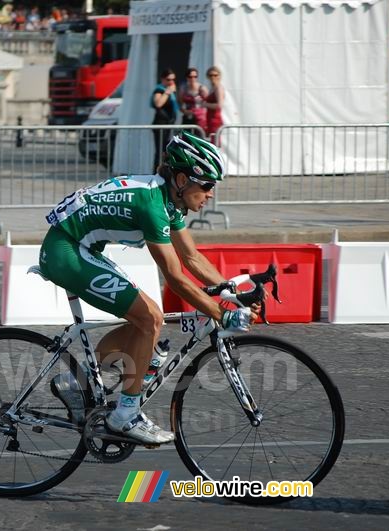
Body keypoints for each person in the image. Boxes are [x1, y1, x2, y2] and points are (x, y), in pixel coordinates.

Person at [39, 132, 258, 445]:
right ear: (183, 179)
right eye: (207, 185)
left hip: (81, 246)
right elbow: (175, 277)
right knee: (151, 318)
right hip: (66, 250)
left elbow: (192, 258)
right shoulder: (152, 205)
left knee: (145, 322)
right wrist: (221, 315)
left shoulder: (168, 200)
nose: (210, 194)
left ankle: (75, 382)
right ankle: (124, 415)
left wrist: (232, 296)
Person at [152, 68, 179, 167]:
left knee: (167, 151)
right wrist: (167, 92)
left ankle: (165, 172)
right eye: (168, 79)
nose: (171, 82)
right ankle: (156, 173)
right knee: (160, 152)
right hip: (160, 125)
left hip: (169, 125)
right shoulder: (159, 89)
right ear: (162, 79)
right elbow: (158, 103)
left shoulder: (172, 91)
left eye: (173, 79)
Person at [180, 67, 208, 131]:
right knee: (186, 138)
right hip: (187, 117)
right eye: (190, 77)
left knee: (198, 138)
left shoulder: (202, 88)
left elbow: (207, 103)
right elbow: (180, 103)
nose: (193, 79)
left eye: (195, 76)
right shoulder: (183, 88)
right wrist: (184, 111)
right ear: (187, 77)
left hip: (199, 118)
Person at [204, 66, 225, 139]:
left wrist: (205, 104)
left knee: (214, 142)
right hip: (209, 118)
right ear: (208, 76)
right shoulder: (212, 88)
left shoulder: (219, 88)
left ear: (219, 76)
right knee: (210, 141)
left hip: (215, 119)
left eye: (215, 75)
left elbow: (219, 105)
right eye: (211, 75)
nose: (213, 77)